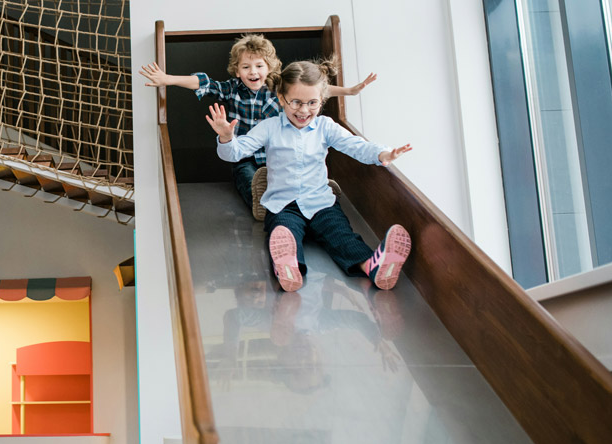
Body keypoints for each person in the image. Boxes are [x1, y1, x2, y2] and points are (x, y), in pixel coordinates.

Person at [206, 58, 412, 292]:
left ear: (322, 100)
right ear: (282, 98)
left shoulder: (326, 126)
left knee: (341, 234)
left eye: (312, 103)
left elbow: (355, 145)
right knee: (283, 233)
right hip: (282, 204)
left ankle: (372, 266)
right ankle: (288, 268)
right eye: (296, 102)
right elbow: (235, 153)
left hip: (320, 202)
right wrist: (226, 137)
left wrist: (382, 153)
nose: (304, 110)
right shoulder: (270, 127)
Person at [140, 33, 375, 220]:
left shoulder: (279, 87)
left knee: (296, 171)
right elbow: (204, 83)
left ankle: (318, 191)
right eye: (246, 67)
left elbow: (314, 89)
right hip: (246, 154)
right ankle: (260, 199)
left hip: (277, 154)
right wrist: (168, 79)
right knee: (245, 176)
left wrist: (349, 91)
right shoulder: (232, 88)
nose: (253, 72)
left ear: (269, 68)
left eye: (259, 66)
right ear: (237, 70)